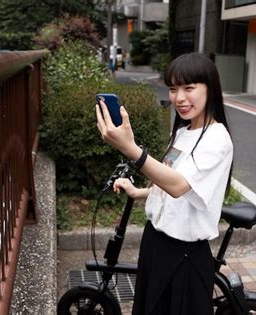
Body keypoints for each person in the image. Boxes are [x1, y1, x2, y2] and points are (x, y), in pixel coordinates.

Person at [95, 52, 233, 314]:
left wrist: (131, 149)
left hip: (184, 256)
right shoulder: (183, 132)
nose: (179, 98)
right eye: (173, 88)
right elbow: (170, 184)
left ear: (210, 89)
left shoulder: (217, 139)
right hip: (156, 244)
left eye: (189, 88)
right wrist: (141, 192)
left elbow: (180, 185)